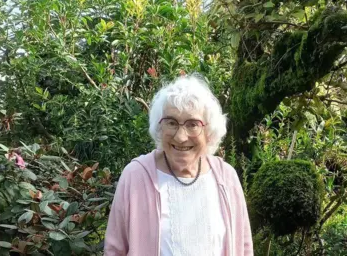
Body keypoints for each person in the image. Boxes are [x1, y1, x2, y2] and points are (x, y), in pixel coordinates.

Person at [104, 74, 253, 256]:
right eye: (171, 123)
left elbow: (244, 248)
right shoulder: (136, 176)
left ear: (209, 131)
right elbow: (114, 250)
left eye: (193, 124)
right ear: (160, 127)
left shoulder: (226, 178)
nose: (181, 137)